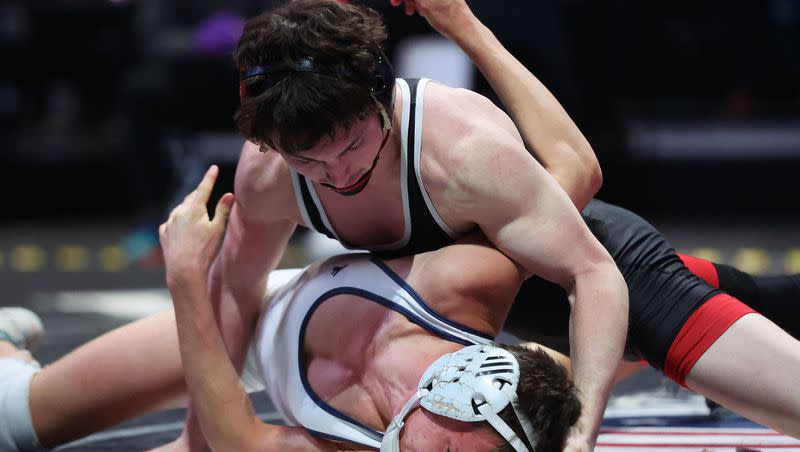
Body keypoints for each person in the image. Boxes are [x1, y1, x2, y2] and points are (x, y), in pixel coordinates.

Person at [2, 167, 800, 452]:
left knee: (16, 424)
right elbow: (576, 201)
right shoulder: (464, 284)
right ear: (454, 399)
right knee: (626, 302)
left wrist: (185, 284)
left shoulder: (365, 447)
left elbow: (242, 439)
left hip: (271, 326)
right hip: (287, 300)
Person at [212, 0, 625, 449]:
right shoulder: (267, 173)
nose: (339, 174)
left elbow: (585, 213)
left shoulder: (461, 150)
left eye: (352, 146)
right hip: (344, 310)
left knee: (681, 337)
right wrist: (197, 431)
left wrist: (584, 433)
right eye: (306, 160)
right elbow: (235, 290)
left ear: (383, 93)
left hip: (567, 257)